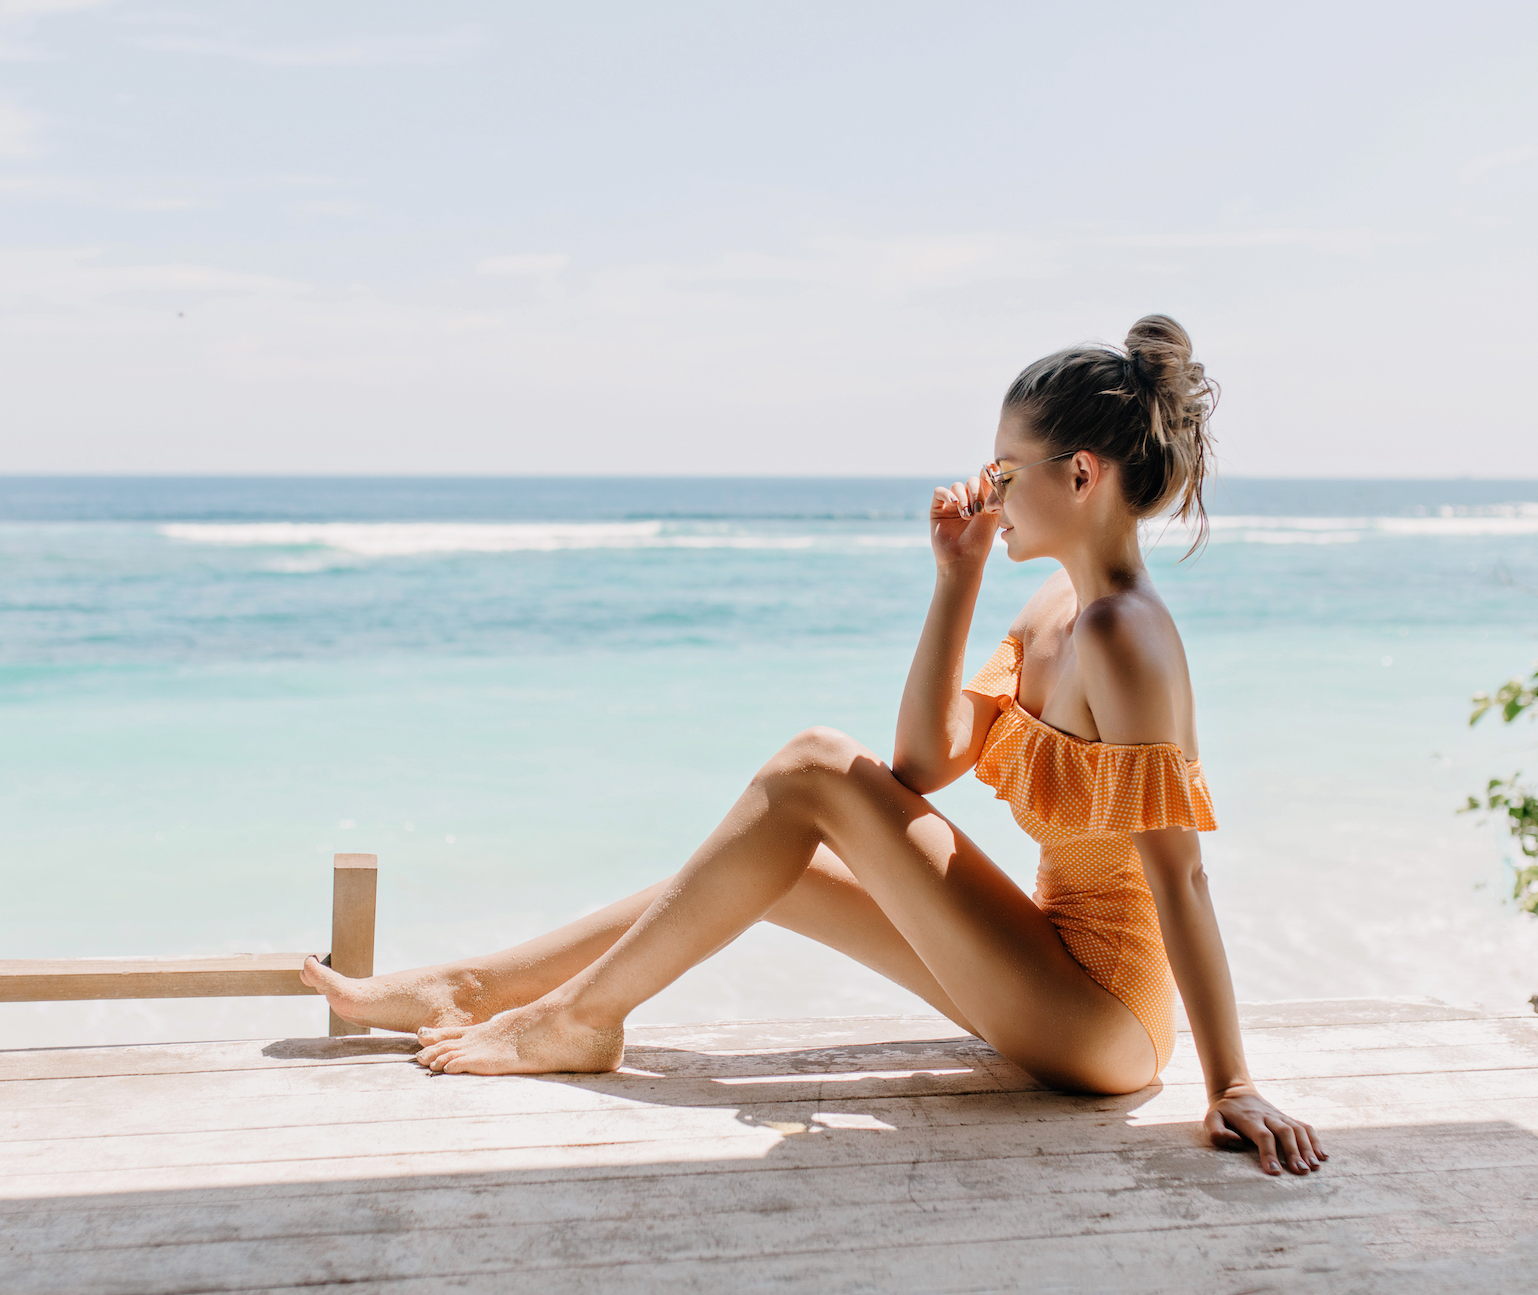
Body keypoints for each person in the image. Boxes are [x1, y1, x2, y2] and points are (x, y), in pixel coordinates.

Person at [303, 315, 1326, 1176]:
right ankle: (482, 988)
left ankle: (572, 1019)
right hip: (1045, 965)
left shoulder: (1123, 636)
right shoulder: (1056, 605)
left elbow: (1179, 879)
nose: (985, 490)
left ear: (1080, 474)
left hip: (1106, 1019)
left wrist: (1231, 1083)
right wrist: (954, 578)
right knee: (778, 858)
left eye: (1004, 471)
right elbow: (920, 767)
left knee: (806, 766)